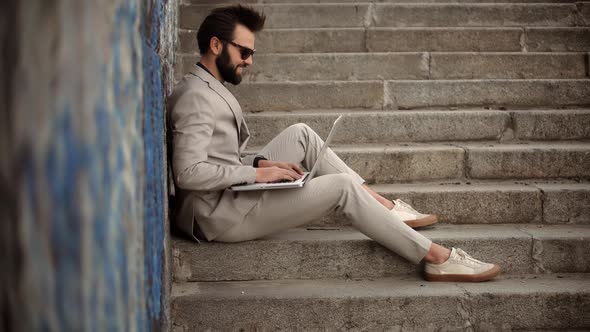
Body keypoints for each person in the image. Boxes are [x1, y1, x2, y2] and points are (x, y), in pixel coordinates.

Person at [168, 5, 501, 282]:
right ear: (216, 45)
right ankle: (436, 257)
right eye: (244, 52)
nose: (250, 61)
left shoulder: (204, 85)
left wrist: (258, 163)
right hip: (218, 215)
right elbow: (188, 173)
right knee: (341, 187)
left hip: (230, 192)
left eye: (252, 53)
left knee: (300, 133)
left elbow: (218, 154)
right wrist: (257, 176)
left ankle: (385, 207)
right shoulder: (196, 98)